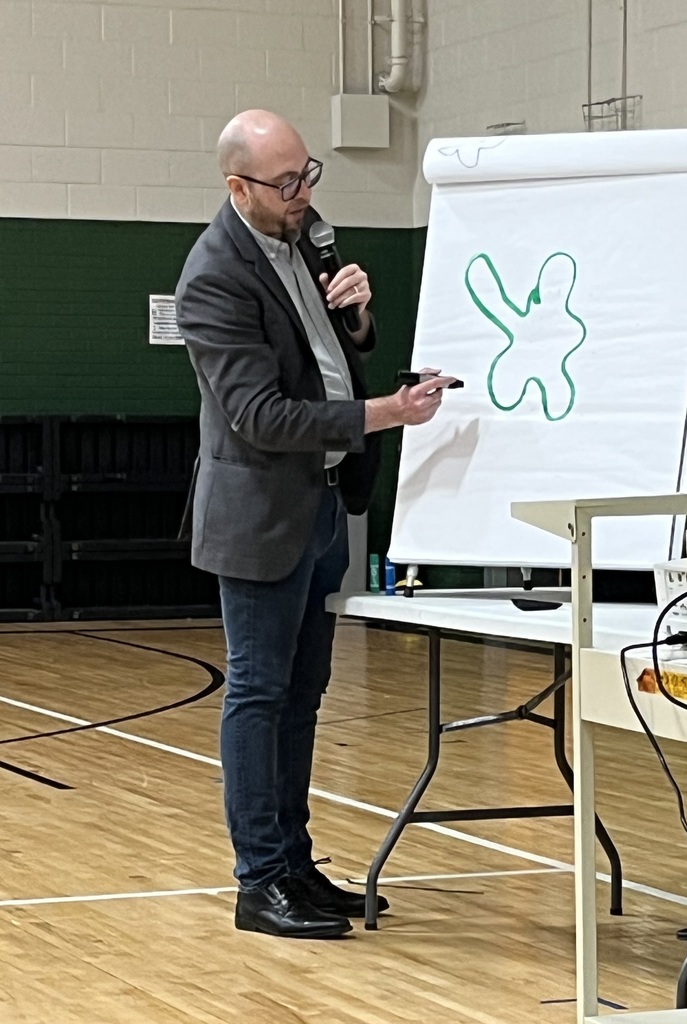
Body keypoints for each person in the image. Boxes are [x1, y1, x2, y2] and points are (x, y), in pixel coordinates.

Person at [175, 109, 456, 940]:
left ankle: (295, 865)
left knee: (303, 696)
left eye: (308, 174)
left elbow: (336, 354)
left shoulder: (300, 241)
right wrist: (385, 414)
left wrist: (359, 313)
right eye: (286, 182)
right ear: (238, 187)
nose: (304, 194)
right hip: (262, 513)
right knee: (259, 694)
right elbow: (260, 416)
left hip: (324, 503)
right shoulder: (214, 277)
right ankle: (259, 881)